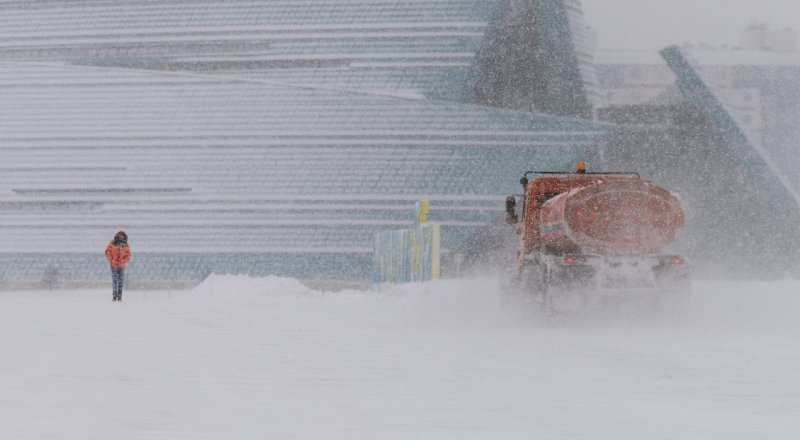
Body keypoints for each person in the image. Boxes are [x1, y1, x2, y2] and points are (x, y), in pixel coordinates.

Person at [105, 230, 131, 301]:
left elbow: (128, 255)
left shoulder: (126, 245)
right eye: (120, 236)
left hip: (121, 266)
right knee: (115, 280)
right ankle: (114, 295)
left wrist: (123, 261)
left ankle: (119, 296)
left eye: (122, 236)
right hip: (113, 265)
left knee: (121, 280)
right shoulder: (112, 243)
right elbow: (108, 252)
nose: (121, 238)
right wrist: (111, 260)